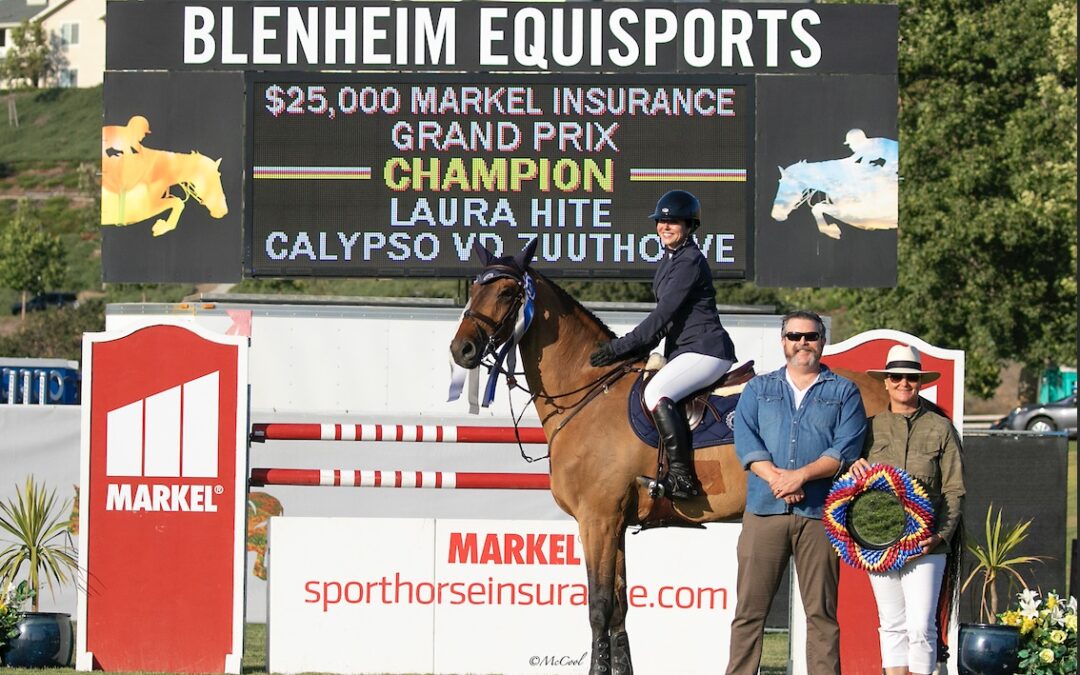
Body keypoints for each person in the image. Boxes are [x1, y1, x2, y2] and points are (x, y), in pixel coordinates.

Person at [726, 310, 867, 675]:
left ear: (822, 341)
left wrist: (799, 477)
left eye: (810, 336)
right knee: (749, 614)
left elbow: (845, 449)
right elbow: (746, 442)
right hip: (763, 512)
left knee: (821, 615)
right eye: (794, 336)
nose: (802, 342)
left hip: (819, 515)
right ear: (783, 341)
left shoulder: (843, 391)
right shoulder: (758, 388)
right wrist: (778, 480)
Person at [588, 189, 736, 500]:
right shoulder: (671, 260)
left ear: (690, 226)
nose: (664, 227)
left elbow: (661, 316)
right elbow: (665, 324)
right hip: (687, 350)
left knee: (656, 392)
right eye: (661, 222)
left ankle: (682, 477)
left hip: (705, 350)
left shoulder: (689, 261)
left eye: (674, 222)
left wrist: (620, 347)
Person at [849, 344, 965, 675]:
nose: (903, 383)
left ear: (920, 382)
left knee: (920, 627)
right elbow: (850, 481)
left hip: (926, 543)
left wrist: (941, 535)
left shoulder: (940, 428)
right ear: (885, 382)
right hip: (879, 541)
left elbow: (954, 489)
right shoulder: (868, 428)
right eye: (896, 377)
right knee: (891, 625)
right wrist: (852, 468)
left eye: (911, 377)